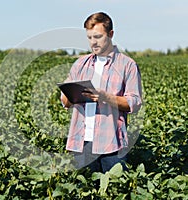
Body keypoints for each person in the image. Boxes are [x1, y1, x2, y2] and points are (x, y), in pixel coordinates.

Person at [61, 12, 142, 173]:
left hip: (112, 145)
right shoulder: (80, 64)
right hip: (81, 142)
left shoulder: (127, 65)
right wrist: (69, 94)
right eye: (90, 37)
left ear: (111, 34)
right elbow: (65, 101)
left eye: (98, 37)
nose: (93, 42)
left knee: (115, 192)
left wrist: (106, 97)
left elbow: (134, 102)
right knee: (85, 192)